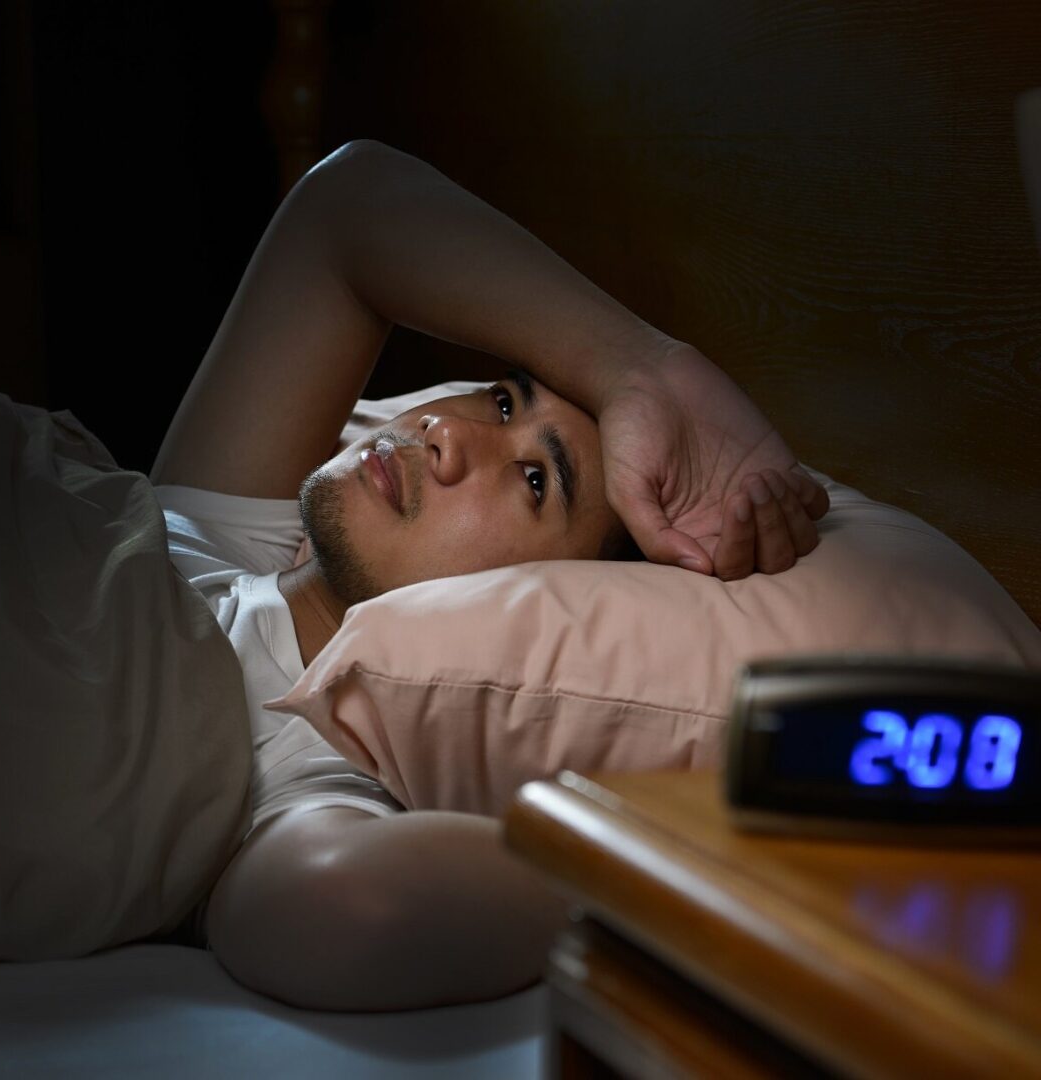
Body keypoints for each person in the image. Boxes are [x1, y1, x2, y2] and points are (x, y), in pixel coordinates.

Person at [148, 139, 829, 1011]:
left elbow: (353, 909)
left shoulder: (287, 757)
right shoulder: (213, 533)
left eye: (536, 479)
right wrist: (643, 370)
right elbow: (346, 207)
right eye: (506, 401)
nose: (447, 431)